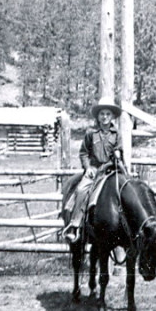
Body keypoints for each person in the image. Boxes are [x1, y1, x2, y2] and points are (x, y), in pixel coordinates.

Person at [62, 98, 124, 243]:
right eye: (102, 114)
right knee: (82, 190)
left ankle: (128, 229)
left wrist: (118, 154)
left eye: (108, 114)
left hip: (111, 168)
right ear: (98, 116)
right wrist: (88, 167)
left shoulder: (117, 134)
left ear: (112, 116)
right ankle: (75, 224)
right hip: (95, 169)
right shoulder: (91, 133)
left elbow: (119, 149)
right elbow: (83, 153)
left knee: (127, 189)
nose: (105, 117)